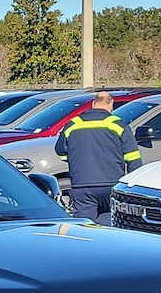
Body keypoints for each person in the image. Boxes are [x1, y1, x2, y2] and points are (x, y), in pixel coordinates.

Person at [54, 91, 142, 225]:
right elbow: (132, 157)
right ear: (111, 104)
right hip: (112, 183)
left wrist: (79, 159)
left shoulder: (73, 124)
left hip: (83, 185)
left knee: (84, 226)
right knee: (112, 223)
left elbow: (60, 152)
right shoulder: (117, 124)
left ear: (93, 103)